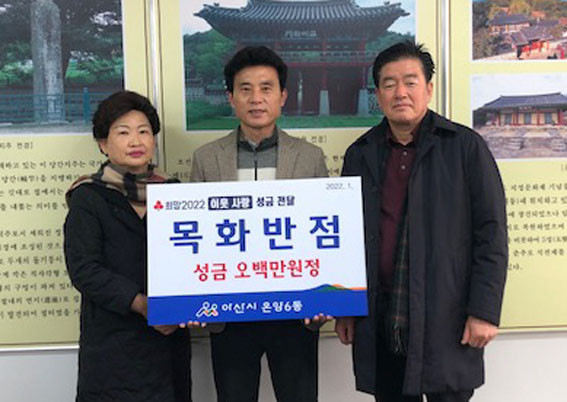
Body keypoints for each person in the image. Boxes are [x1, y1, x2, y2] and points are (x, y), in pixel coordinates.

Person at [335, 41, 508, 402]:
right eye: (389, 84)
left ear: (428, 89)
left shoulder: (464, 147)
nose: (400, 92)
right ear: (378, 95)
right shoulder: (360, 154)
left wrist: (484, 311)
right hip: (383, 315)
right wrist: (345, 308)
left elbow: (491, 235)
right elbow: (345, 239)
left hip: (448, 316)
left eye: (410, 82)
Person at [190, 46, 329, 402]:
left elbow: (324, 234)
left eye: (266, 88)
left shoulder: (310, 157)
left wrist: (326, 297)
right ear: (231, 97)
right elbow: (197, 240)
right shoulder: (206, 159)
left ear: (282, 96)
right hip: (229, 314)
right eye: (245, 89)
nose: (256, 99)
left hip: (295, 312)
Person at [64, 90, 192, 402]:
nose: (136, 141)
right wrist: (141, 304)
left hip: (169, 340)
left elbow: (192, 259)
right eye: (123, 133)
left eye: (144, 131)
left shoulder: (175, 192)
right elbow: (84, 269)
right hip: (113, 341)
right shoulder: (88, 196)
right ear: (103, 143)